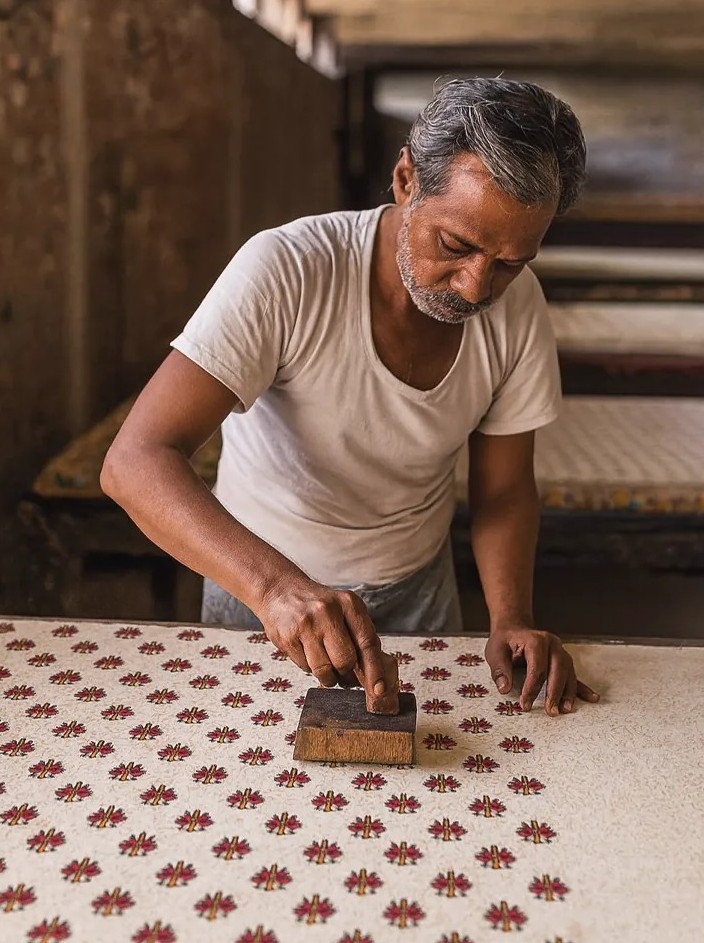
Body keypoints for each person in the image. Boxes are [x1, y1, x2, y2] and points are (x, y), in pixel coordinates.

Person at [101, 76, 600, 718]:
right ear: (405, 181)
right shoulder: (289, 270)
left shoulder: (518, 309)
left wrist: (511, 616)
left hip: (421, 593)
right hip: (259, 593)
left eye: (509, 263)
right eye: (456, 246)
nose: (477, 288)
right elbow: (135, 460)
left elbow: (502, 492)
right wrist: (279, 589)